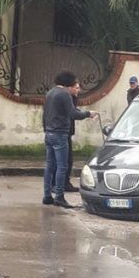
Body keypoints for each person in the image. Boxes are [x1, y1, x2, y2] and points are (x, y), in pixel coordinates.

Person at [42, 70, 97, 208]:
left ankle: (47, 195)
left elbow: (46, 114)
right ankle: (59, 196)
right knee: (62, 166)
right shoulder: (64, 95)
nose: (76, 88)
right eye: (75, 86)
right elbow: (73, 114)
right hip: (60, 134)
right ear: (69, 85)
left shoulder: (50, 93)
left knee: (49, 166)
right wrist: (88, 114)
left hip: (49, 133)